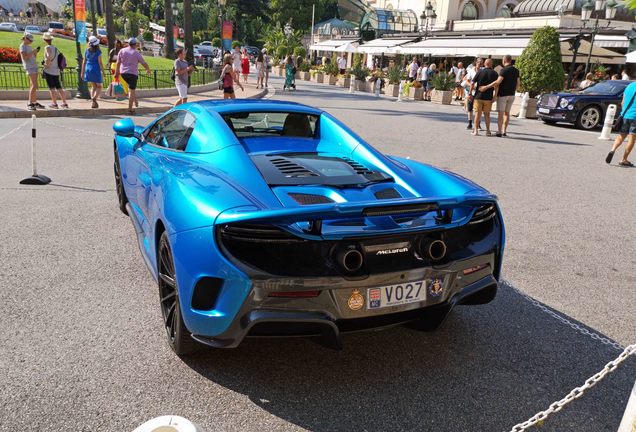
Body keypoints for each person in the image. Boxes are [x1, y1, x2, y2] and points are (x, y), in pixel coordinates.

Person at [478, 54, 519, 137]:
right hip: (512, 95)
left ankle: (499, 131)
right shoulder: (516, 70)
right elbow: (518, 84)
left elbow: (497, 82)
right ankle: (504, 131)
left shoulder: (503, 70)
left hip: (503, 95)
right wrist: (513, 90)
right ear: (510, 61)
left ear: (504, 61)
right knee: (507, 113)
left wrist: (486, 87)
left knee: (501, 114)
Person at [115, 37, 151, 115]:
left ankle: (136, 102)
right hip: (133, 74)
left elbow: (118, 62)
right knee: (131, 91)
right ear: (135, 45)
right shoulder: (136, 53)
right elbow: (143, 63)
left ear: (128, 43)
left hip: (123, 73)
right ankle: (130, 109)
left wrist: (116, 72)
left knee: (131, 89)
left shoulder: (122, 50)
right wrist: (148, 69)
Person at [605, 80, 636, 167]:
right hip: (635, 116)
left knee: (621, 136)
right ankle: (624, 159)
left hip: (625, 115)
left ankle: (612, 150)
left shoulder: (630, 86)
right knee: (632, 139)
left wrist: (624, 112)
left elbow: (623, 102)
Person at [470, 58, 498, 136]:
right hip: (488, 98)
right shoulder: (495, 74)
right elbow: (496, 86)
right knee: (487, 115)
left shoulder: (479, 72)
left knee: (477, 114)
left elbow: (472, 83)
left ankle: (475, 131)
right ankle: (488, 131)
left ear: (485, 64)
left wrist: (470, 94)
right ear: (491, 64)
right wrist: (495, 96)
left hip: (478, 96)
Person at [41, 32, 68, 109]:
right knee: (59, 87)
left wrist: (46, 65)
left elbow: (49, 56)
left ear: (44, 40)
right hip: (56, 71)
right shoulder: (55, 48)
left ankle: (54, 103)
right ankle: (64, 103)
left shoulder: (47, 47)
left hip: (49, 71)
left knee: (52, 88)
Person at [19, 32, 43, 110]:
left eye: (32, 41)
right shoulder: (22, 46)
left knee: (34, 85)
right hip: (30, 67)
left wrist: (35, 52)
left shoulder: (28, 46)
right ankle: (30, 103)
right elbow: (25, 58)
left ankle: (34, 102)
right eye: (30, 40)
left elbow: (33, 57)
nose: (31, 42)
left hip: (33, 66)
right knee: (34, 85)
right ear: (25, 38)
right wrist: (33, 51)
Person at [81, 36, 103, 108]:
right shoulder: (98, 52)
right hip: (95, 69)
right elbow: (100, 63)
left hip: (88, 68)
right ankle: (94, 98)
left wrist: (82, 72)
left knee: (93, 86)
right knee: (99, 86)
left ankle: (93, 103)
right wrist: (103, 71)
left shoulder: (86, 51)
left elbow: (83, 62)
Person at [463, 58, 482, 130]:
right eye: (479, 63)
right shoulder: (471, 71)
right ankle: (470, 123)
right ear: (476, 63)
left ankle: (478, 124)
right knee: (470, 108)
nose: (480, 64)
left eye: (481, 63)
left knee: (478, 109)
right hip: (471, 92)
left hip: (478, 93)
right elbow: (466, 81)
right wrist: (472, 85)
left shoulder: (482, 71)